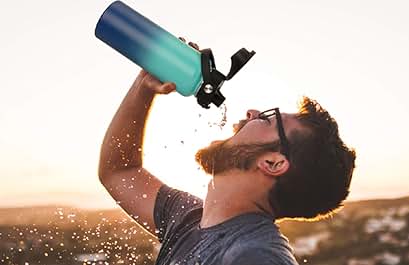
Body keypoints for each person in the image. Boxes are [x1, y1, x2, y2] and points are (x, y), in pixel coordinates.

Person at [98, 41, 356, 265]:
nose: (252, 112)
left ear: (273, 163)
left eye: (267, 119)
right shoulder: (188, 218)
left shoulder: (256, 256)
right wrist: (144, 86)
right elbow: (120, 170)